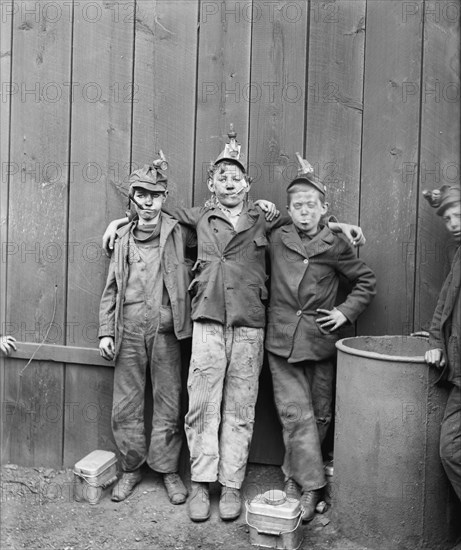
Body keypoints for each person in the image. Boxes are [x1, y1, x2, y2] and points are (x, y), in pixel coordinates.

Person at [102, 129, 366, 522]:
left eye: (236, 177)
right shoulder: (197, 216)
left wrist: (337, 224)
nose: (229, 182)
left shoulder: (265, 218)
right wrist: (119, 222)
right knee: (202, 406)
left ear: (247, 184)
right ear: (211, 184)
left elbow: (305, 226)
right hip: (207, 321)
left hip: (250, 326)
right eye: (222, 176)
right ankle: (201, 484)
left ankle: (230, 486)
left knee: (240, 408)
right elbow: (151, 213)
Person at [265, 159, 376, 521]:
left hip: (321, 340)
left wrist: (345, 312)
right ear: (288, 210)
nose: (304, 212)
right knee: (294, 413)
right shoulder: (276, 237)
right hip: (281, 341)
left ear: (324, 208)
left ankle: (293, 477)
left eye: (312, 205)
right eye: (297, 205)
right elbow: (249, 221)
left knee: (321, 414)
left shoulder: (335, 244)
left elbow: (365, 282)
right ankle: (311, 487)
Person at [98, 156, 196, 505]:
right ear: (133, 198)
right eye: (141, 194)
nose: (148, 201)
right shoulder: (123, 238)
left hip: (166, 331)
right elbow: (111, 288)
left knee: (169, 402)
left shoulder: (179, 232)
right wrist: (106, 332)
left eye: (155, 195)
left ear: (164, 196)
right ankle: (130, 468)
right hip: (128, 329)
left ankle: (168, 470)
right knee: (126, 404)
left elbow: (219, 230)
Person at [423, 184, 460, 501]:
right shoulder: (457, 253)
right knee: (451, 450)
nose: (454, 224)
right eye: (448, 218)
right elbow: (445, 303)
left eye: (459, 215)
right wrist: (437, 339)